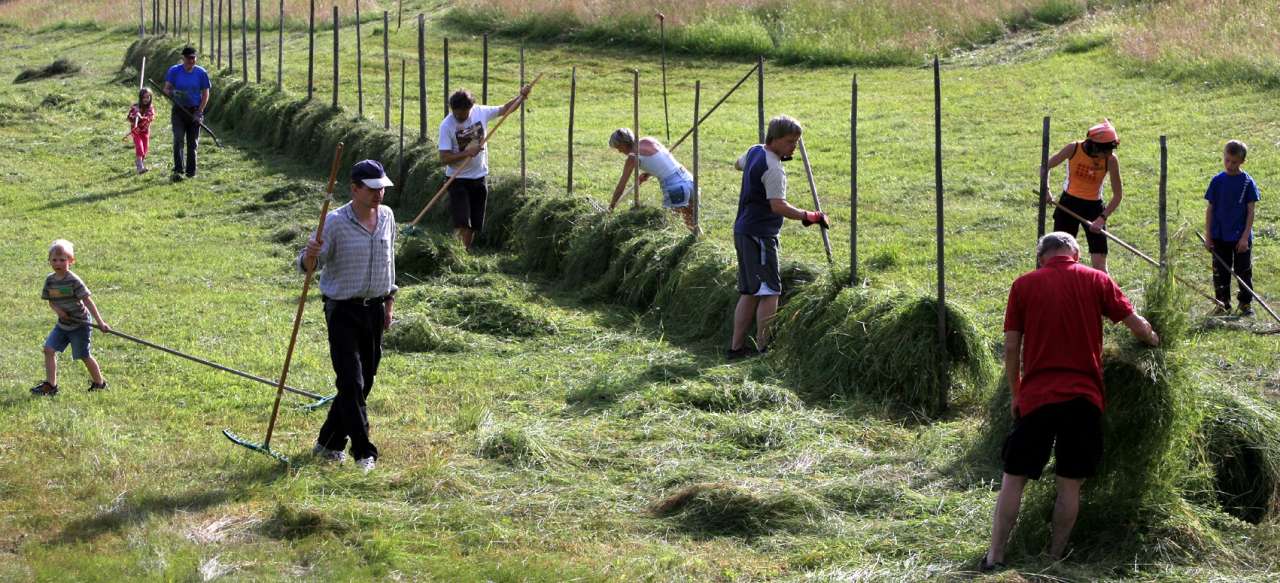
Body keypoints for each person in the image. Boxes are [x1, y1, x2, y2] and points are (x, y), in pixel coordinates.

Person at [982, 232, 1159, 571]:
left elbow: (1009, 348)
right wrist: (1153, 338)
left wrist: (1016, 393)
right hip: (1083, 399)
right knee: (1069, 483)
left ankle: (995, 556)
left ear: (1041, 257)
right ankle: (1052, 557)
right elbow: (1136, 325)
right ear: (1076, 253)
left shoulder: (1023, 285)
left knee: (1014, 477)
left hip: (1037, 398)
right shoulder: (1097, 279)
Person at [300, 160, 399, 473]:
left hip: (374, 309)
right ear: (354, 188)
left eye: (381, 187)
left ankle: (328, 442)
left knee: (364, 382)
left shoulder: (387, 217)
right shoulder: (334, 222)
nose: (378, 194)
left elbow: (389, 262)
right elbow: (308, 266)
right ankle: (363, 451)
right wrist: (310, 254)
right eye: (372, 189)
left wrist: (389, 302)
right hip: (342, 309)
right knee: (351, 382)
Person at [727, 115, 829, 360]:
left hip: (743, 230)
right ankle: (764, 349)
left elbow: (737, 164)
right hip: (760, 236)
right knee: (770, 291)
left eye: (796, 142)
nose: (793, 147)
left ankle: (736, 348)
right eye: (789, 142)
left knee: (750, 291)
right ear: (773, 139)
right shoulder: (774, 169)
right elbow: (778, 206)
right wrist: (809, 215)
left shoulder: (755, 152)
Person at [437, 85, 532, 251]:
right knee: (462, 221)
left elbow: (505, 109)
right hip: (457, 180)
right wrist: (467, 153)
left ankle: (463, 252)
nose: (459, 117)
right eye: (456, 114)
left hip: (479, 177)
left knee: (474, 223)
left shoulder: (481, 112)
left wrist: (521, 97)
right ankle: (456, 251)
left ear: (470, 108)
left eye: (463, 114)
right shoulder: (446, 125)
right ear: (452, 109)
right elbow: (444, 158)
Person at [1041, 119, 1124, 273]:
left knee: (1100, 267)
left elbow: (1118, 195)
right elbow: (1045, 167)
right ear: (1094, 146)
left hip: (1094, 209)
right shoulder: (1073, 148)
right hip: (1067, 205)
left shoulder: (1111, 160)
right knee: (1060, 261)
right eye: (1105, 151)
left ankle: (1102, 294)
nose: (1108, 155)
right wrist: (1046, 190)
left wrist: (1102, 218)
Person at [32, 239, 111, 397]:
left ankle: (99, 383)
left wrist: (100, 323)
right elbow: (51, 301)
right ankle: (51, 385)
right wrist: (59, 311)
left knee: (83, 355)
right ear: (49, 261)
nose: (58, 263)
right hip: (63, 324)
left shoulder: (74, 280)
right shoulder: (50, 280)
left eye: (63, 259)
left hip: (80, 324)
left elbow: (88, 301)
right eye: (54, 260)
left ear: (71, 261)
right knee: (49, 349)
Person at [1204, 140, 1260, 316]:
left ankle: (1245, 304)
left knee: (1243, 271)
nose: (1229, 164)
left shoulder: (1247, 183)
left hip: (1240, 238)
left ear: (1242, 161)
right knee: (1220, 273)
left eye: (1234, 162)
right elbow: (1210, 209)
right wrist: (1209, 236)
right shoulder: (1217, 181)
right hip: (1219, 236)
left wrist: (1244, 238)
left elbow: (1250, 212)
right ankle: (1223, 303)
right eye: (1227, 160)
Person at [607, 128, 696, 230]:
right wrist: (648, 173)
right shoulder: (648, 140)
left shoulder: (632, 157)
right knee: (692, 223)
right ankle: (699, 242)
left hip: (675, 189)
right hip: (689, 180)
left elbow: (620, 186)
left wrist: (611, 208)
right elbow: (662, 160)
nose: (619, 151)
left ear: (623, 144)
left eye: (618, 147)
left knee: (666, 229)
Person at [162, 46, 210, 181]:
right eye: (188, 58)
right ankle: (178, 169)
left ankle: (191, 172)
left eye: (193, 58)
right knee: (178, 139)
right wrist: (174, 93)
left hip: (195, 111)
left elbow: (206, 93)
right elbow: (166, 89)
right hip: (179, 110)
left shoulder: (201, 73)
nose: (191, 61)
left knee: (192, 143)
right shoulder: (174, 71)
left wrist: (199, 111)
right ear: (183, 58)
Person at [127, 87, 156, 175]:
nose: (146, 99)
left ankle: (139, 162)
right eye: (144, 97)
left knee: (145, 149)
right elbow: (129, 117)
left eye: (148, 97)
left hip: (145, 131)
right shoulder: (135, 107)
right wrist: (135, 114)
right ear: (140, 98)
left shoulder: (150, 108)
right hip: (136, 131)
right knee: (140, 147)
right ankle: (140, 167)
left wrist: (141, 117)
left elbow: (150, 118)